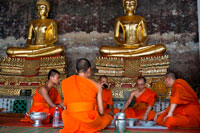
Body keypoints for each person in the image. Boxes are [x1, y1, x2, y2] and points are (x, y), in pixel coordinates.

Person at [60, 58, 112, 133]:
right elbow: (101, 112)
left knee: (66, 113)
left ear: (76, 70)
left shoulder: (66, 82)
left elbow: (66, 104)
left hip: (71, 121)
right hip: (89, 121)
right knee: (108, 118)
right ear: (89, 69)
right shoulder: (97, 85)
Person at [99, 0, 166, 57]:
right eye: (127, 3)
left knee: (161, 47)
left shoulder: (140, 19)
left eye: (132, 3)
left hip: (138, 47)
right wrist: (121, 44)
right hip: (124, 47)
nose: (130, 5)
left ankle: (129, 54)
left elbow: (145, 35)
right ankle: (134, 54)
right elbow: (116, 37)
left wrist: (141, 43)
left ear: (135, 5)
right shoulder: (119, 19)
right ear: (124, 5)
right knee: (103, 49)